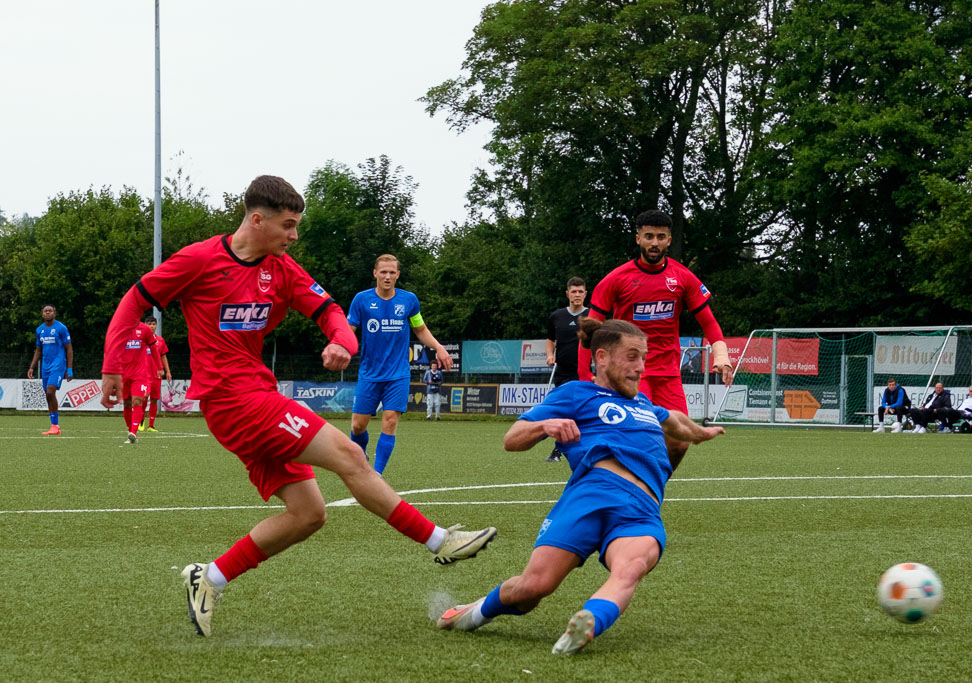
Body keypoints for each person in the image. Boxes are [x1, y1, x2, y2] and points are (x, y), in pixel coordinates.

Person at [99, 176, 496, 638]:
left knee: (308, 515)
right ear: (257, 219)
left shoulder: (281, 269)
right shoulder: (200, 259)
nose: (293, 236)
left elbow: (327, 310)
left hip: (257, 395)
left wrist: (342, 341)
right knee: (350, 455)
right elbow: (136, 298)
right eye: (288, 226)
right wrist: (113, 366)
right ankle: (439, 540)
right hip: (231, 400)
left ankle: (208, 578)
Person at [436, 317, 724, 655]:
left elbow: (675, 421)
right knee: (533, 589)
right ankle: (470, 614)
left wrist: (701, 434)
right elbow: (511, 439)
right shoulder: (576, 393)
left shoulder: (646, 406)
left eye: (643, 358)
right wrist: (547, 425)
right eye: (632, 357)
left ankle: (588, 621)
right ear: (601, 357)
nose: (640, 368)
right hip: (589, 497)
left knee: (630, 568)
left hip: (639, 512)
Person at [577, 209, 733, 463]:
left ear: (669, 240)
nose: (654, 243)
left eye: (661, 237)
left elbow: (708, 321)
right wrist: (586, 378)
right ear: (638, 239)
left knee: (680, 441)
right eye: (648, 236)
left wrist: (722, 356)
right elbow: (588, 333)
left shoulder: (683, 277)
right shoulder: (616, 279)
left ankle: (649, 489)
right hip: (630, 373)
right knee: (641, 438)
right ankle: (629, 490)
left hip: (669, 373)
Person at [347, 254, 452, 475]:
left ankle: (376, 475)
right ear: (375, 273)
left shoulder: (409, 300)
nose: (387, 276)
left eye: (392, 272)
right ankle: (361, 451)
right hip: (369, 373)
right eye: (383, 272)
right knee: (358, 425)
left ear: (398, 275)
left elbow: (420, 329)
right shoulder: (361, 300)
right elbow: (350, 330)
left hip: (398, 373)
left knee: (391, 420)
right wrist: (340, 345)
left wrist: (439, 347)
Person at [544, 276, 589, 462]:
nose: (577, 295)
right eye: (574, 291)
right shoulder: (557, 316)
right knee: (564, 411)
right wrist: (549, 354)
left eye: (580, 292)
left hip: (585, 371)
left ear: (585, 294)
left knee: (583, 411)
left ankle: (586, 448)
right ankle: (558, 449)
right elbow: (550, 339)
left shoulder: (593, 315)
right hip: (562, 372)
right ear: (567, 293)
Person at [27, 304, 73, 435]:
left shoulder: (61, 328)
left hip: (58, 365)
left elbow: (69, 349)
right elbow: (38, 350)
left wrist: (69, 369)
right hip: (45, 367)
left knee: (50, 391)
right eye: (45, 311)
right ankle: (54, 426)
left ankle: (55, 425)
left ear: (54, 313)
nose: (48, 313)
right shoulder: (39, 330)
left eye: (50, 311)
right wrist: (32, 367)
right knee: (48, 395)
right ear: (42, 314)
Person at [118, 319, 159, 444]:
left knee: (139, 400)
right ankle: (131, 431)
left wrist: (160, 368)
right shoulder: (120, 329)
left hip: (141, 374)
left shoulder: (144, 330)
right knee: (127, 403)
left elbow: (157, 351)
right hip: (124, 373)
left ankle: (135, 432)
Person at [143, 315, 172, 432]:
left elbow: (163, 356)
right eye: (149, 324)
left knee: (154, 399)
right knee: (144, 397)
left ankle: (151, 425)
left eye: (153, 324)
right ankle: (140, 420)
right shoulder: (140, 340)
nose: (151, 326)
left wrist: (168, 371)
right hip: (143, 374)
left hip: (156, 374)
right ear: (145, 325)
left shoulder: (160, 340)